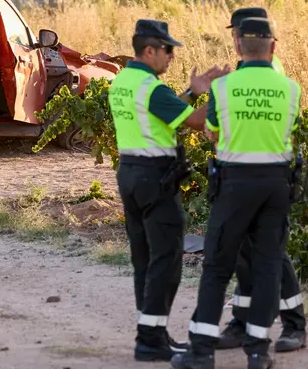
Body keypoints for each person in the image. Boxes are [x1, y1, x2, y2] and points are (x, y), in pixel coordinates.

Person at [171, 17, 302, 369]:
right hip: (276, 185)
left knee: (216, 267)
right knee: (267, 267)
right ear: (273, 47)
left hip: (235, 183)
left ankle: (200, 354)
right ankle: (259, 353)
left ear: (239, 47)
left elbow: (211, 132)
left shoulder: (223, 88)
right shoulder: (290, 88)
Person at [109, 19, 229, 362]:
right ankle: (151, 339)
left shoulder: (124, 81)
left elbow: (162, 114)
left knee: (143, 257)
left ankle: (150, 334)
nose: (172, 57)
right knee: (166, 258)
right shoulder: (151, 88)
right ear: (149, 51)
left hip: (130, 173)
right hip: (155, 178)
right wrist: (221, 94)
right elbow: (195, 122)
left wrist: (192, 92)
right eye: (168, 50)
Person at [217, 7, 308, 353]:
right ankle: (242, 322)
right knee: (246, 254)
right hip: (245, 175)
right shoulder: (246, 70)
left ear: (245, 38)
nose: (233, 39)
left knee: (273, 255)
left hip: (263, 176)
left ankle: (294, 325)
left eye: (235, 33)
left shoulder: (269, 72)